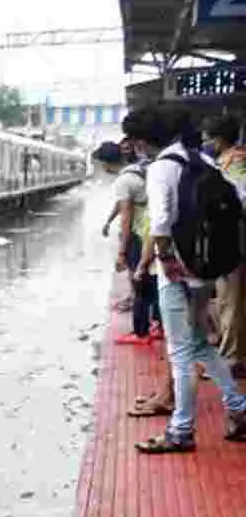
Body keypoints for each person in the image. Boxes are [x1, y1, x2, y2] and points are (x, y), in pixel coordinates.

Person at [127, 106, 246, 453]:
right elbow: (239, 201)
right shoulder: (204, 161)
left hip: (177, 271)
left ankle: (181, 431)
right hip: (206, 268)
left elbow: (160, 221)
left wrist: (165, 262)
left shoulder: (162, 167)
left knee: (179, 351)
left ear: (145, 139)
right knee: (198, 343)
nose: (134, 146)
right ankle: (239, 410)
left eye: (135, 139)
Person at [93, 141, 159, 344]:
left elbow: (127, 217)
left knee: (139, 281)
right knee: (152, 279)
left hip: (139, 234)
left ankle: (141, 332)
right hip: (149, 230)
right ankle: (158, 323)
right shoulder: (135, 171)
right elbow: (123, 204)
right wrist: (108, 220)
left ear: (106, 163)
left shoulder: (122, 181)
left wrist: (122, 252)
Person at [203, 115, 246, 375]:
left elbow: (239, 200)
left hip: (233, 240)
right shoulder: (237, 159)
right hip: (236, 240)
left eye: (209, 138)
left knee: (229, 300)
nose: (207, 142)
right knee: (233, 300)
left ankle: (230, 359)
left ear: (218, 139)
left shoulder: (232, 163)